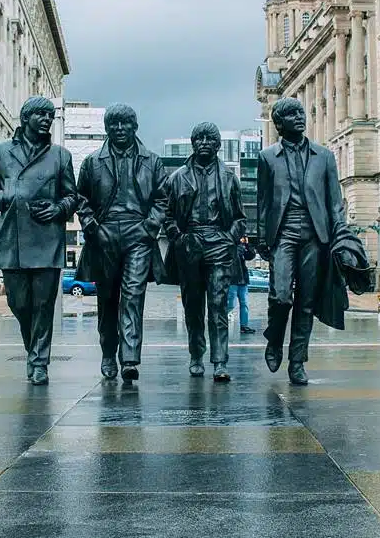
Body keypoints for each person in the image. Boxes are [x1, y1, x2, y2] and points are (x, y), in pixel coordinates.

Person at [256, 97, 371, 385]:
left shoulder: (325, 156)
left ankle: (297, 362)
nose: (300, 117)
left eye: (301, 113)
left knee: (306, 302)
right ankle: (274, 338)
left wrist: (341, 236)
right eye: (291, 114)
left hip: (315, 236)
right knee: (281, 296)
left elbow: (335, 203)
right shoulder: (268, 157)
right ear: (279, 124)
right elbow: (263, 202)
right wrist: (261, 236)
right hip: (283, 233)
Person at [0, 96, 77, 385]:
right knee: (19, 304)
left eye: (50, 115)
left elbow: (72, 196)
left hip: (47, 240)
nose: (46, 120)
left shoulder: (60, 156)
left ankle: (39, 362)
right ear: (26, 118)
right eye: (41, 115)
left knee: (44, 306)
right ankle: (33, 351)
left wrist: (59, 208)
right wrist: (8, 197)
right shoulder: (1, 153)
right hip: (13, 240)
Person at [75, 103, 168, 383]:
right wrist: (93, 227)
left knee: (132, 294)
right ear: (106, 128)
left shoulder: (152, 161)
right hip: (104, 235)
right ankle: (107, 352)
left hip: (138, 234)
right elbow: (82, 200)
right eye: (113, 124)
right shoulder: (92, 162)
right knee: (108, 299)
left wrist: (149, 227)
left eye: (125, 123)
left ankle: (129, 358)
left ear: (134, 126)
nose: (119, 129)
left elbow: (162, 199)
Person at [162, 122, 246, 382]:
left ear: (218, 145)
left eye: (210, 139)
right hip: (190, 244)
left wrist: (229, 238)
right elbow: (166, 215)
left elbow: (240, 218)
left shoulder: (230, 178)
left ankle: (220, 361)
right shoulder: (177, 178)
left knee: (219, 306)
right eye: (199, 138)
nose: (205, 143)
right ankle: (196, 355)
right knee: (193, 306)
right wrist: (179, 237)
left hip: (218, 245)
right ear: (193, 143)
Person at [227, 236, 257, 334]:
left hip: (242, 279)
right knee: (230, 304)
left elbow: (251, 255)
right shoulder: (230, 244)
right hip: (232, 279)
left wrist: (247, 244)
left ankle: (244, 326)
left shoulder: (243, 246)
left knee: (244, 304)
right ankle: (221, 322)